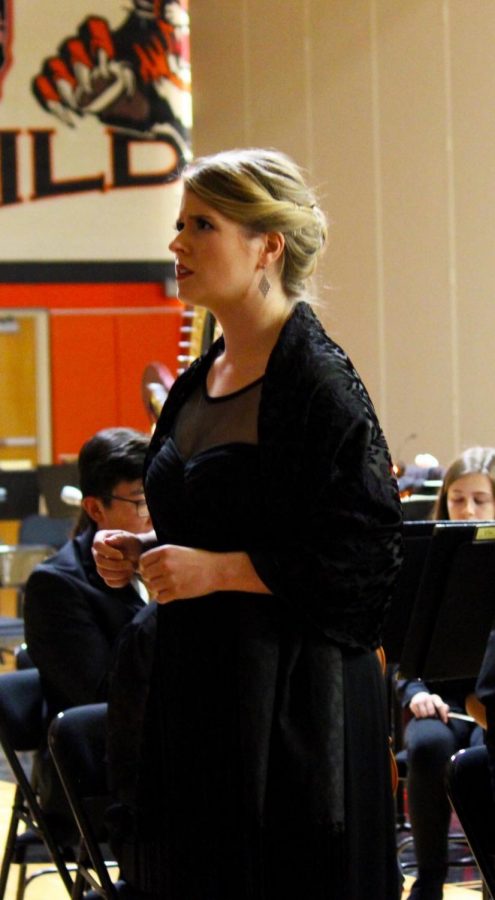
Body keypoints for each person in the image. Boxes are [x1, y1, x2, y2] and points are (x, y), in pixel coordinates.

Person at [93, 148, 403, 900]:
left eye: (203, 225)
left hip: (291, 704)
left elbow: (367, 560)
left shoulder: (319, 382)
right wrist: (146, 550)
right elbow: (206, 517)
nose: (177, 244)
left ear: (267, 245)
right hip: (199, 685)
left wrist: (223, 569)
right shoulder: (202, 378)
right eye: (178, 225)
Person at [24, 426, 153, 831]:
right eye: (141, 501)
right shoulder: (56, 585)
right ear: (96, 510)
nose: (155, 513)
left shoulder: (165, 558)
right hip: (95, 774)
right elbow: (103, 696)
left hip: (153, 752)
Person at [395, 445, 495, 900]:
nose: (467, 509)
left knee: (484, 756)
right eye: (458, 499)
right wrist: (414, 692)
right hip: (440, 703)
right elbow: (403, 651)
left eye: (479, 499)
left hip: (489, 704)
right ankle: (430, 881)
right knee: (428, 745)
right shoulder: (431, 561)